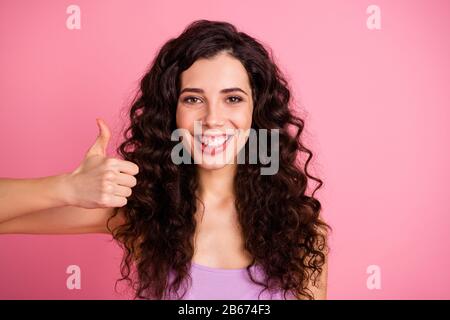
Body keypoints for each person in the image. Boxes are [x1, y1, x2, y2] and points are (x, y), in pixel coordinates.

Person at [0, 19, 331, 300]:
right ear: (172, 113)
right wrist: (67, 187)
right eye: (193, 99)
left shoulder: (301, 231)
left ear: (256, 112)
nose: (213, 118)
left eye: (232, 98)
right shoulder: (144, 211)